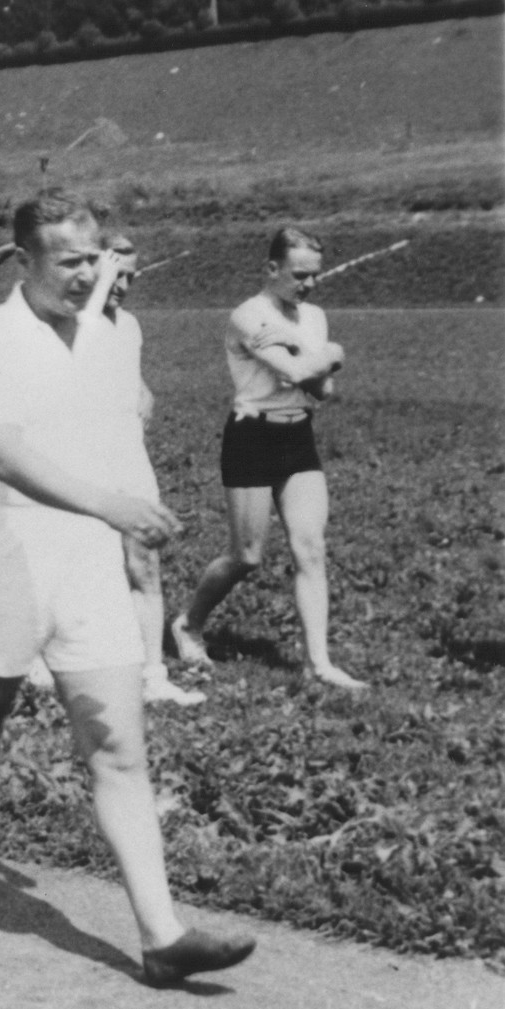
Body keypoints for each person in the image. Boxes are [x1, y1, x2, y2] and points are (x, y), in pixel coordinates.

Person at [0, 192, 254, 987]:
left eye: (96, 258)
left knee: (120, 749)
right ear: (24, 260)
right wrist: (113, 507)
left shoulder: (108, 335)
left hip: (87, 560)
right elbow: (8, 454)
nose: (88, 273)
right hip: (5, 552)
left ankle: (162, 937)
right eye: (70, 261)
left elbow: (119, 424)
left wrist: (125, 508)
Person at [170, 228, 366, 690]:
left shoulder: (313, 317)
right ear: (272, 269)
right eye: (299, 275)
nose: (309, 285)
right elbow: (301, 371)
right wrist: (324, 356)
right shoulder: (248, 316)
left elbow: (322, 388)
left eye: (315, 276)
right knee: (247, 556)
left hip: (298, 436)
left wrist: (311, 348)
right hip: (251, 437)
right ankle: (187, 624)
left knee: (310, 547)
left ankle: (317, 663)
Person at [75, 235, 205, 707]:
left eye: (131, 276)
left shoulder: (128, 325)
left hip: (128, 459)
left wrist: (140, 395)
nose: (123, 286)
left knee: (144, 564)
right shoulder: (68, 320)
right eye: (115, 274)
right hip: (78, 464)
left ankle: (153, 674)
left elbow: (125, 376)